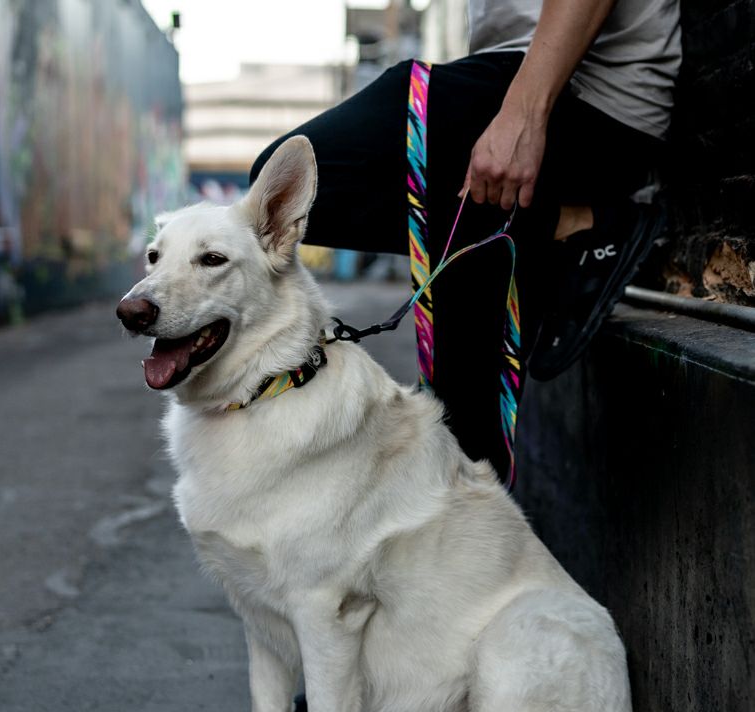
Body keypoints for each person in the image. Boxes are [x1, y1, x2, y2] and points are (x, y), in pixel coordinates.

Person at [251, 0, 682, 486]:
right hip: (507, 91)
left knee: (328, 168)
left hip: (587, 96)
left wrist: (522, 115)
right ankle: (564, 225)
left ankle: (465, 489)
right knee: (458, 392)